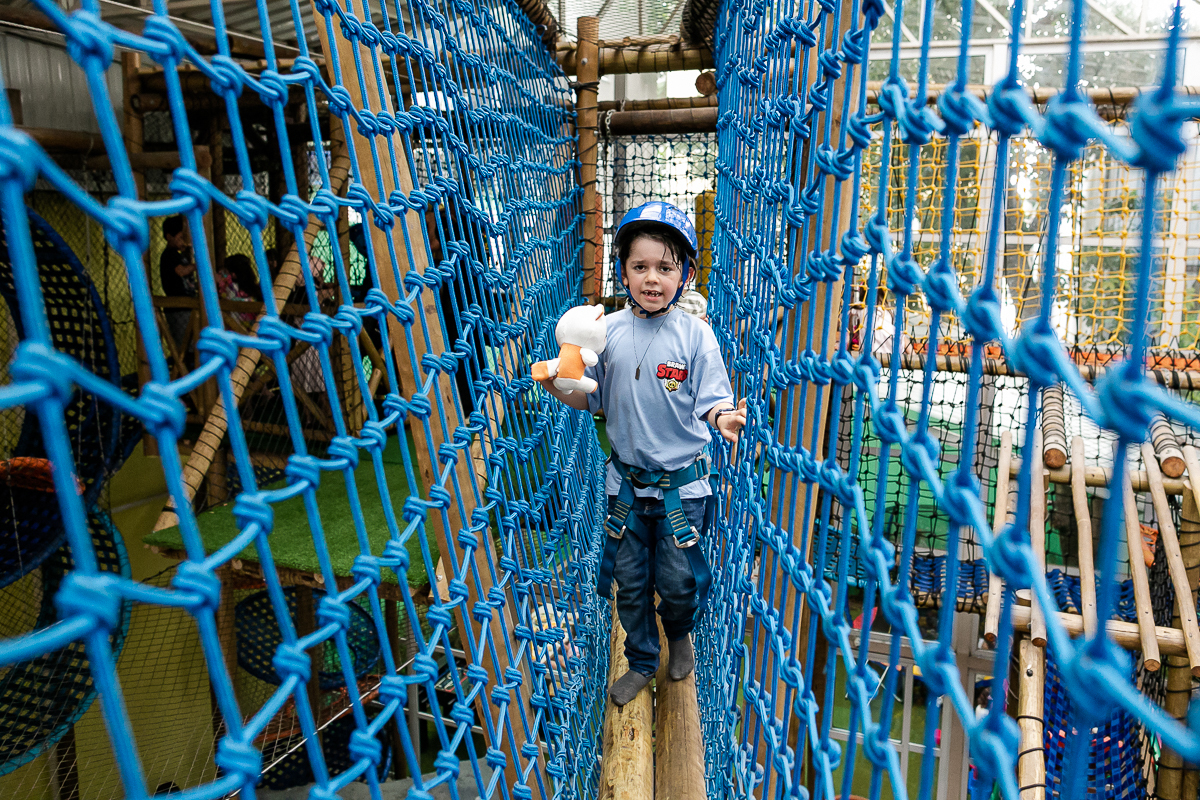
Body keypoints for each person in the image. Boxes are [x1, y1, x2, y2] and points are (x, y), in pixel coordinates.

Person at [536, 201, 747, 706]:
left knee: (676, 583)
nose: (652, 279)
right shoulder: (607, 331)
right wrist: (558, 383)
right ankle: (641, 660)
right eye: (640, 267)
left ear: (685, 274)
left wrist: (724, 418)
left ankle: (678, 635)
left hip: (682, 489)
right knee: (629, 586)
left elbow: (713, 397)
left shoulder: (695, 335)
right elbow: (592, 397)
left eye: (665, 268)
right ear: (623, 272)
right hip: (626, 488)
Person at [159, 215, 197, 360]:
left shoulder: (180, 254)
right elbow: (180, 271)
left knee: (192, 345)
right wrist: (196, 266)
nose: (183, 242)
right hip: (178, 309)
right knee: (184, 347)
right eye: (181, 238)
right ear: (169, 237)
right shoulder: (169, 255)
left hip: (188, 307)